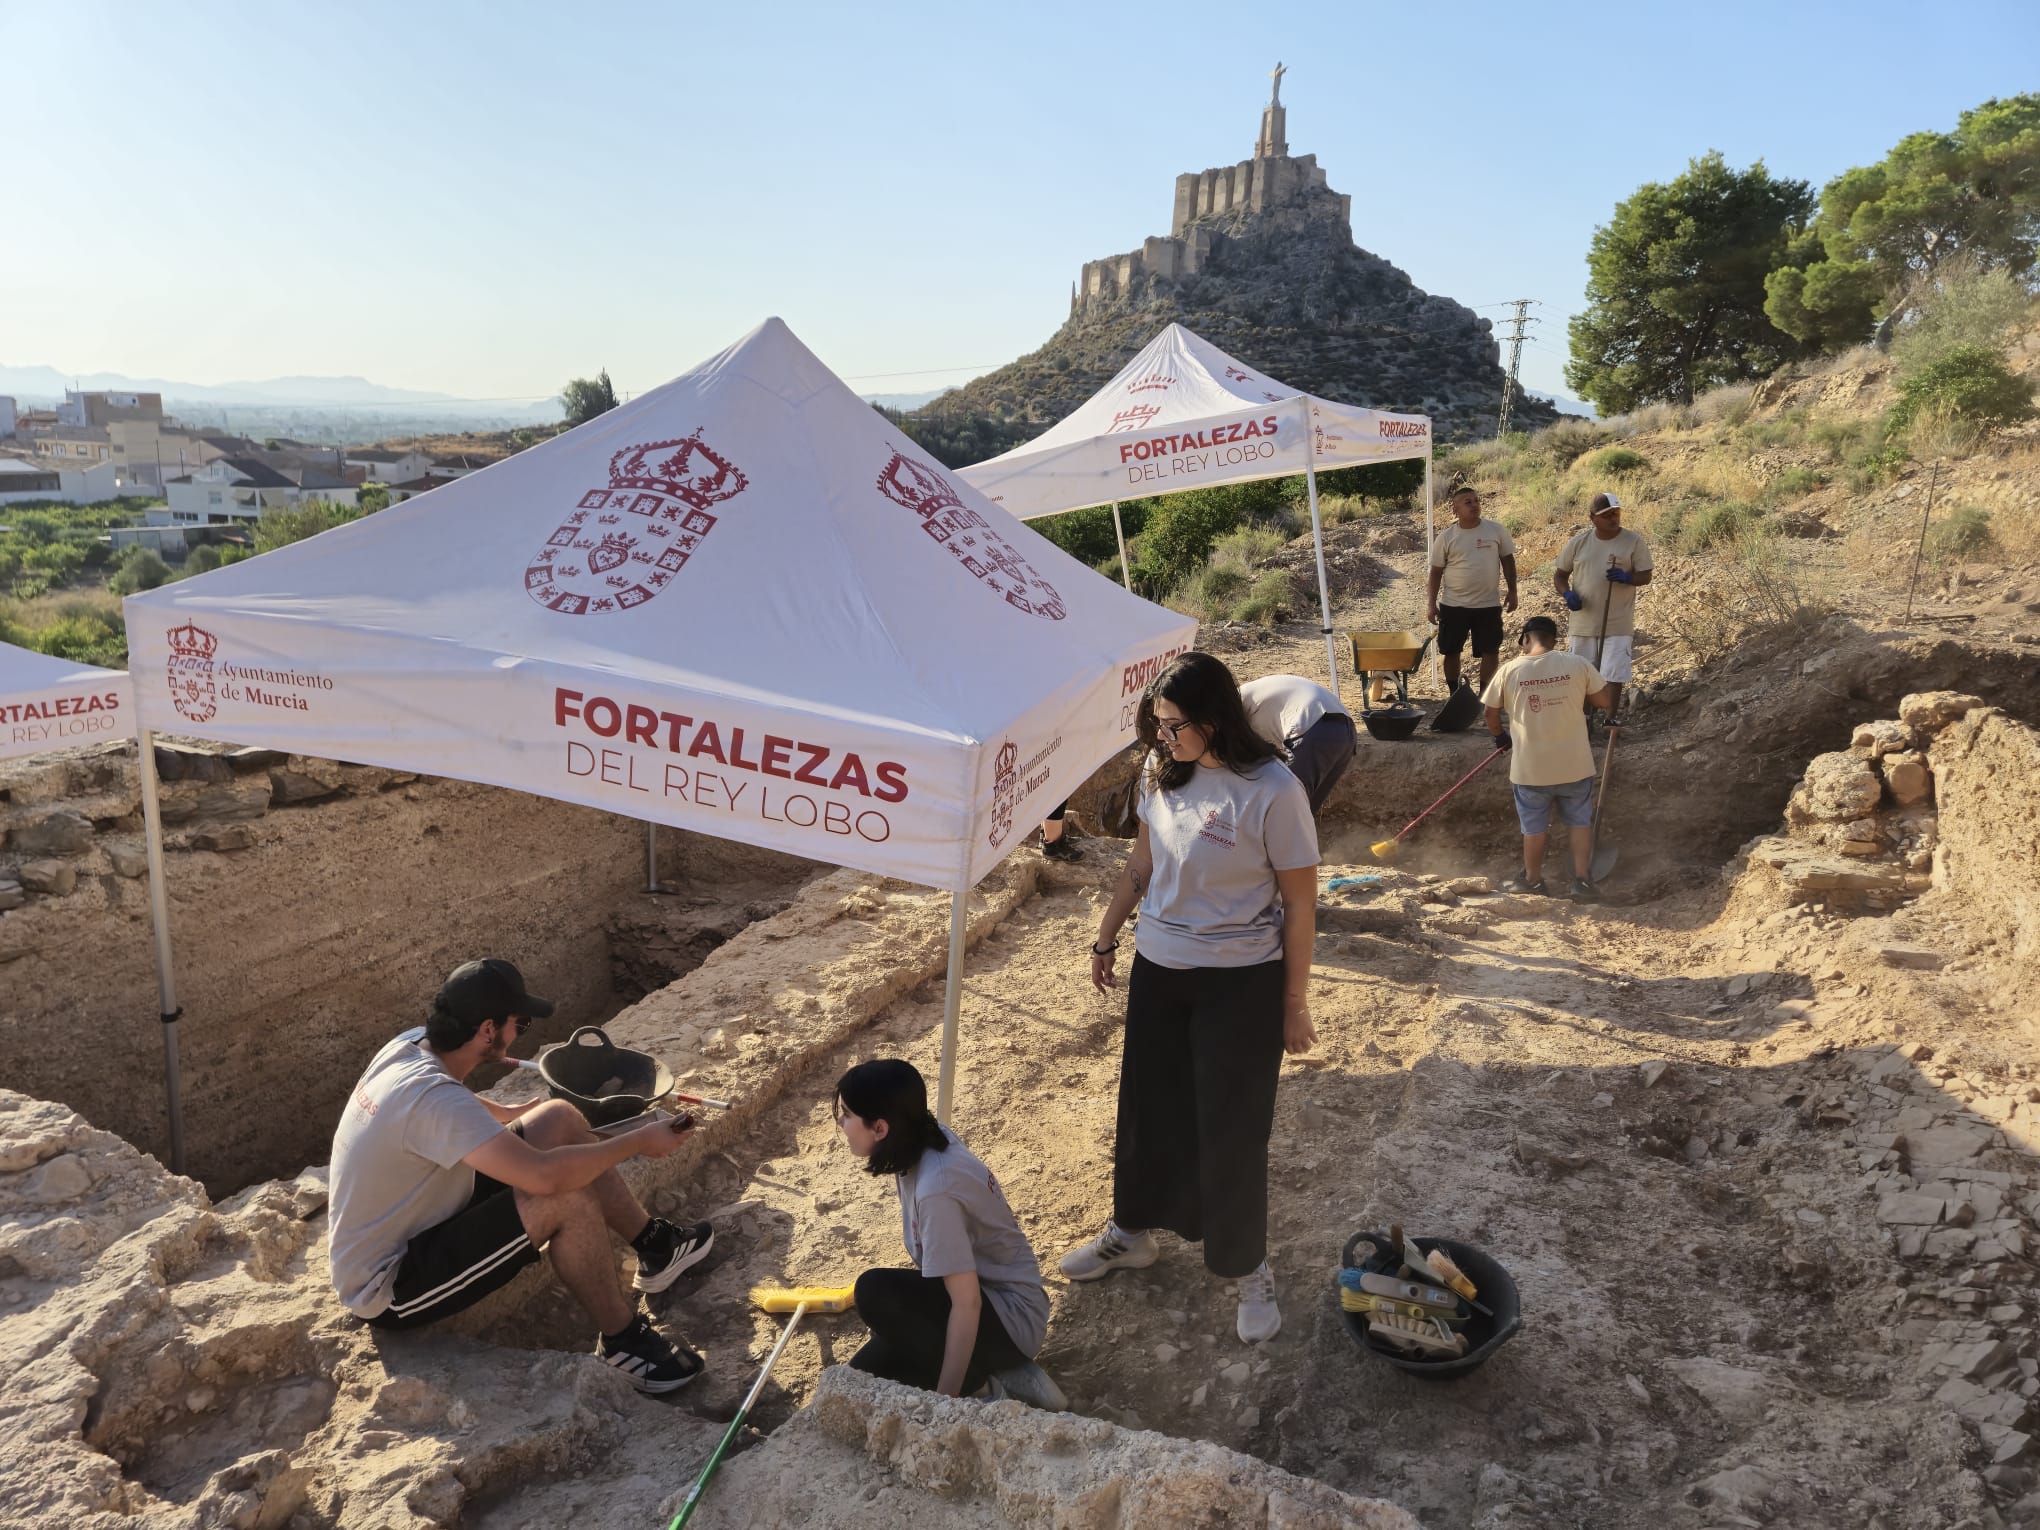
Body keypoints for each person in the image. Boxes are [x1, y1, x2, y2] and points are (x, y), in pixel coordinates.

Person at [1062, 652, 1319, 1344]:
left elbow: (1300, 906)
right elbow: (1141, 863)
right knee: (1149, 1109)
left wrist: (1293, 1003)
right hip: (1160, 968)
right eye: (1156, 725)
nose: (1161, 738)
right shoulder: (1159, 773)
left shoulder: (1273, 791)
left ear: (1213, 720)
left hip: (1241, 980)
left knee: (1232, 1125)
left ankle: (1247, 1267)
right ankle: (1131, 1231)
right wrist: (1106, 938)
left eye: (1173, 726)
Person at [327, 958, 716, 1393]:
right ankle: (623, 1342)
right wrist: (638, 1141)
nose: (519, 1034)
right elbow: (545, 1179)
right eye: (521, 1024)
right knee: (565, 1198)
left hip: (424, 1211)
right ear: (488, 1030)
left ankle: (655, 1247)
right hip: (390, 1281)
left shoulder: (411, 1047)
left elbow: (458, 1105)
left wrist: (513, 1114)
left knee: (558, 1118)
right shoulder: (431, 1100)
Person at [836, 1058, 1064, 1408]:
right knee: (861, 1378)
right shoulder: (918, 1136)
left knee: (874, 1291)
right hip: (981, 1298)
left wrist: (947, 1402)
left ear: (880, 1128)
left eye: (848, 1115)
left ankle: (987, 1387)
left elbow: (966, 1302)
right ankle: (1007, 1371)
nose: (841, 1122)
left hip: (1009, 1317)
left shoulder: (936, 1191)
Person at [1481, 617, 1616, 900]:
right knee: (1579, 822)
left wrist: (1500, 737)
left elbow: (1490, 714)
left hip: (1531, 770)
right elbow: (1605, 701)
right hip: (1575, 765)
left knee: (1533, 827)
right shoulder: (1577, 664)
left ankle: (1532, 880)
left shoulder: (1509, 670)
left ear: (1524, 639)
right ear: (1555, 640)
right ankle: (1582, 881)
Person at [1553, 491, 1654, 717]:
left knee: (1613, 674)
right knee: (1583, 675)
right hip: (1583, 623)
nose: (1613, 518)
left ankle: (1610, 719)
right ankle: (1584, 719)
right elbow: (1560, 575)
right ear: (1593, 518)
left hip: (1618, 622)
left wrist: (1628, 578)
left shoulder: (1632, 541)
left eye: (1616, 513)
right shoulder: (1579, 543)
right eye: (1607, 514)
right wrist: (1567, 594)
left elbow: (1645, 575)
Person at [1427, 483, 1519, 694]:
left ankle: (1484, 694)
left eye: (1476, 500)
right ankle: (1454, 694)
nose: (1474, 505)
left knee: (1490, 650)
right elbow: (1435, 573)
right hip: (1453, 605)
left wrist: (1513, 591)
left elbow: (1508, 561)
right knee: (1451, 650)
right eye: (1468, 502)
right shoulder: (1446, 537)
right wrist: (1431, 604)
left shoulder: (1496, 530)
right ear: (1455, 510)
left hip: (1488, 604)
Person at [1238, 673, 1357, 817]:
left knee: (1284, 809)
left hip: (1314, 727)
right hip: (1345, 730)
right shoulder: (1248, 697)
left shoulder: (1232, 706)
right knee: (1302, 814)